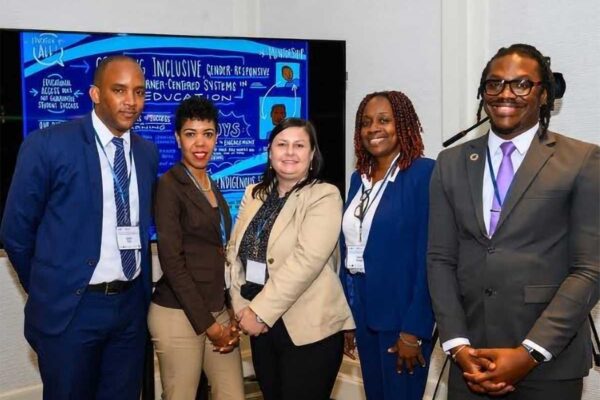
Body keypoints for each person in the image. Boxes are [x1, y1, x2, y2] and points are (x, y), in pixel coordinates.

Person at [427, 43, 599, 400]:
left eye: (521, 84)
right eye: (494, 84)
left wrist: (530, 353)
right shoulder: (450, 162)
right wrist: (457, 345)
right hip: (470, 361)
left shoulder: (582, 160)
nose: (505, 93)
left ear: (545, 95)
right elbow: (440, 259)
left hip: (548, 364)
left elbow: (589, 269)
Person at [0, 55, 159, 399]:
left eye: (139, 91)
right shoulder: (48, 145)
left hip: (129, 309)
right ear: (95, 94)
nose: (131, 101)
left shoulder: (147, 153)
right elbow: (15, 232)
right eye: (119, 90)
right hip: (73, 310)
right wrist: (51, 285)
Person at [228, 118, 355, 400]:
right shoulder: (254, 193)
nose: (289, 152)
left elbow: (305, 261)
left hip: (310, 329)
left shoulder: (324, 195)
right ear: (270, 153)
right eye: (282, 144)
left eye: (299, 146)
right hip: (260, 327)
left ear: (312, 155)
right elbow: (234, 253)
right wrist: (241, 308)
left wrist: (259, 312)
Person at [339, 91, 435, 400]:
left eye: (384, 120)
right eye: (366, 122)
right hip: (363, 313)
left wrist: (415, 330)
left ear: (403, 125)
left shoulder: (424, 174)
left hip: (402, 320)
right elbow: (351, 249)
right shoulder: (358, 179)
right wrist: (347, 318)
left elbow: (429, 259)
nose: (373, 128)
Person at [149, 96, 244, 400]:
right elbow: (172, 262)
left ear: (217, 137)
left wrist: (230, 311)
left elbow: (220, 254)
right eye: (190, 134)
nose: (200, 143)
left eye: (207, 134)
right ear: (178, 138)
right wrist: (209, 325)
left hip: (217, 309)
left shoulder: (210, 184)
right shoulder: (169, 185)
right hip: (178, 313)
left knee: (232, 395)